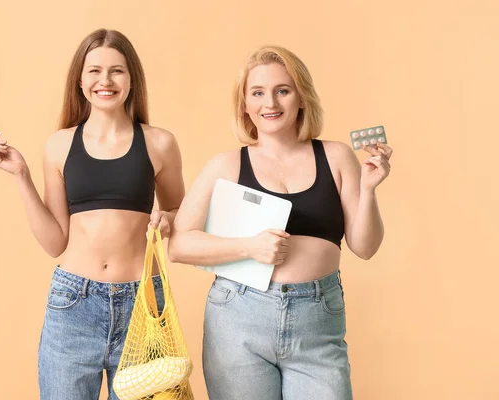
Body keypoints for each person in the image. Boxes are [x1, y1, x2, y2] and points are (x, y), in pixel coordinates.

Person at [168, 45, 393, 400]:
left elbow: (365, 247)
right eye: (257, 93)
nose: (269, 103)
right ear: (244, 104)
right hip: (238, 318)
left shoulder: (336, 157)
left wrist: (369, 189)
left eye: (282, 91)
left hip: (317, 319)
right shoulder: (225, 165)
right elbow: (179, 246)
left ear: (301, 97)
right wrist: (247, 247)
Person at [0, 28, 185, 400]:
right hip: (74, 304)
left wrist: (169, 219)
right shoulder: (59, 145)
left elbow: (178, 211)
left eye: (116, 71)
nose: (104, 81)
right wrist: (22, 176)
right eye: (94, 71)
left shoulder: (159, 142)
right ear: (79, 80)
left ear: (132, 79)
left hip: (144, 304)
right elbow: (54, 242)